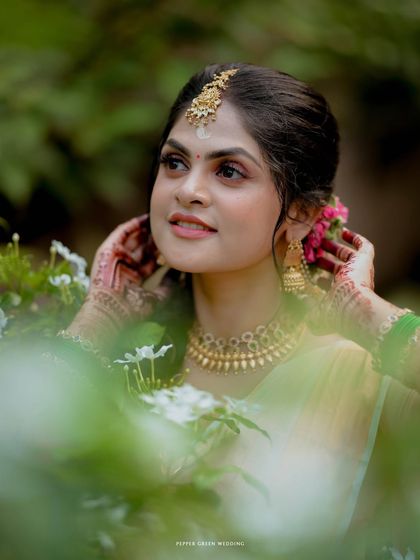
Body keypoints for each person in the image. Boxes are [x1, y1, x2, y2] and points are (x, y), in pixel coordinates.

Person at [62, 63, 420, 552]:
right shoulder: (115, 362)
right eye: (175, 162)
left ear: (301, 214)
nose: (187, 190)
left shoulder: (365, 380)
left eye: (229, 171)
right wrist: (97, 321)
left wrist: (371, 318)